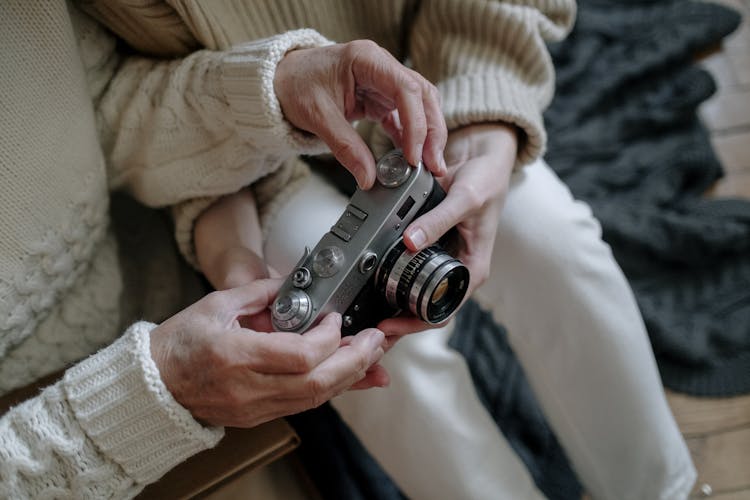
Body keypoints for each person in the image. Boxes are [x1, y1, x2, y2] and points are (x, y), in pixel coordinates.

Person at [0, 2, 697, 500]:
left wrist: (488, 115)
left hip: (421, 91)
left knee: (554, 242)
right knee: (372, 357)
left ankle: (668, 488)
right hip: (238, 167)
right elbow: (127, 113)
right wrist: (232, 256)